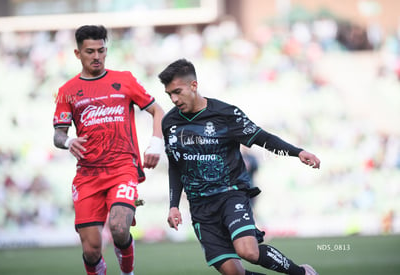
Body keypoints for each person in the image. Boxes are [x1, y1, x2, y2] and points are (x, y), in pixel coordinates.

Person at [159, 59, 320, 275]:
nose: (174, 99)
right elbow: (176, 166)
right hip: (200, 208)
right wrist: (173, 204)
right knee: (234, 273)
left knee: (249, 252)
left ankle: (302, 273)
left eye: (177, 91)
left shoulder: (225, 114)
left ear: (194, 86)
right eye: (169, 94)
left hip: (230, 195)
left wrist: (297, 152)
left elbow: (261, 137)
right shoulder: (170, 123)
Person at [53, 25, 164, 275]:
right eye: (90, 51)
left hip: (122, 168)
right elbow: (58, 134)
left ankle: (127, 272)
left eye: (101, 50)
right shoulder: (67, 91)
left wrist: (156, 143)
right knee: (92, 250)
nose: (97, 56)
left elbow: (158, 110)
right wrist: (68, 141)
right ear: (77, 53)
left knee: (119, 228)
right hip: (88, 176)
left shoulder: (124, 80)